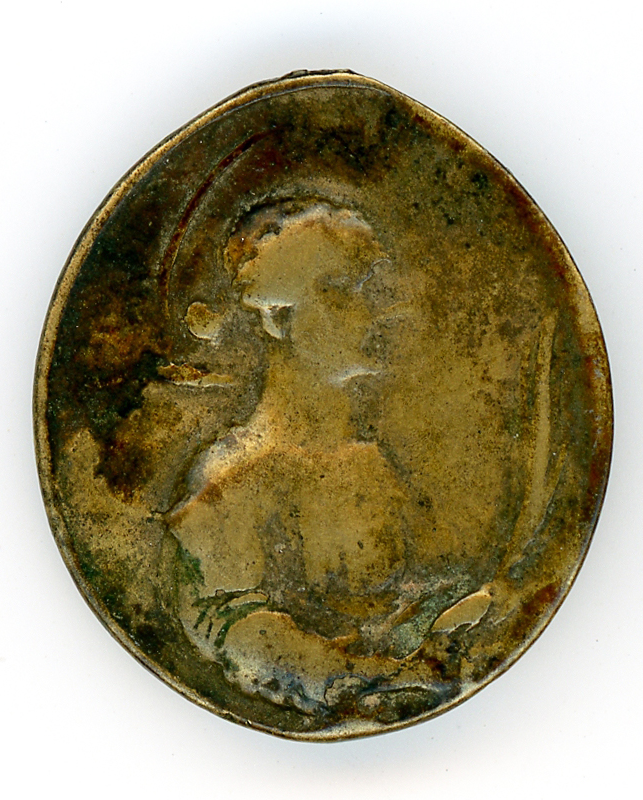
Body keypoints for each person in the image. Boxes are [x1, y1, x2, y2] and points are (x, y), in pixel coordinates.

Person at [163, 199, 486, 714]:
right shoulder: (232, 480)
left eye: (369, 291)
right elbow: (234, 631)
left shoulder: (372, 463)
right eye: (339, 292)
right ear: (276, 317)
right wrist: (380, 676)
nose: (373, 314)